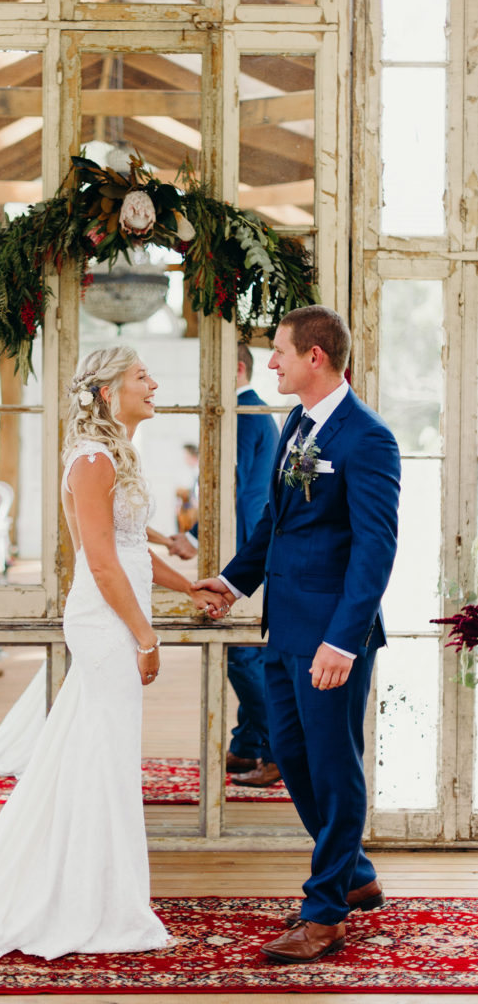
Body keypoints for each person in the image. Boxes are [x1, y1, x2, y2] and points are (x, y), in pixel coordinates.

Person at [0, 346, 224, 983]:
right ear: (108, 392)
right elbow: (99, 562)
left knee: (100, 756)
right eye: (141, 376)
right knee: (104, 754)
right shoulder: (92, 460)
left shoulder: (115, 455)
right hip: (104, 626)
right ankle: (93, 900)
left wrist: (190, 586)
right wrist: (145, 637)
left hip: (115, 619)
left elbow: (131, 551)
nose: (154, 384)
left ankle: (96, 891)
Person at [195, 306, 401, 963]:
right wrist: (233, 582)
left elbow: (375, 549)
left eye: (279, 351)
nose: (271, 363)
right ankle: (354, 873)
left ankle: (325, 913)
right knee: (291, 754)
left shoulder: (368, 438)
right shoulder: (294, 422)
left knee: (334, 766)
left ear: (315, 357)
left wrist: (342, 641)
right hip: (281, 628)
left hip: (331, 638)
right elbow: (277, 524)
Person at [172, 344, 281, 786]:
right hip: (249, 542)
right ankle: (247, 744)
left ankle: (275, 750)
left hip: (243, 545)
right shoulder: (258, 413)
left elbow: (228, 487)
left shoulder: (243, 414)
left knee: (241, 654)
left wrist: (196, 536)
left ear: (236, 368)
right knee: (248, 651)